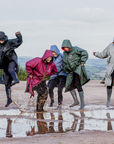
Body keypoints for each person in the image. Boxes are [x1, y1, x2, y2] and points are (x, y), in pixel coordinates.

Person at [61, 39, 90, 110]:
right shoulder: (65, 53)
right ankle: (76, 101)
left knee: (78, 85)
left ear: (69, 46)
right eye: (64, 48)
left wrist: (82, 61)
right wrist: (66, 69)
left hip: (77, 69)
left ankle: (82, 104)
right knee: (69, 86)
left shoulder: (76, 49)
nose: (65, 49)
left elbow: (85, 53)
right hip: (70, 71)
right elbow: (64, 62)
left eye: (66, 47)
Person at [48, 45, 79, 109]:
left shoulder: (62, 56)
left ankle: (59, 105)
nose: (53, 54)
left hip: (62, 75)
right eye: (52, 52)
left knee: (59, 90)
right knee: (50, 88)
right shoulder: (51, 58)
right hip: (55, 75)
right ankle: (52, 100)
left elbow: (68, 61)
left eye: (54, 52)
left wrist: (67, 68)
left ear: (57, 51)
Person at [0, 31, 23, 107]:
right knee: (7, 83)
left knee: (10, 69)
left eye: (2, 39)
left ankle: (16, 79)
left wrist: (18, 35)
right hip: (4, 64)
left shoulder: (9, 42)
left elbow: (19, 41)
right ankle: (9, 99)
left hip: (11, 61)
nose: (1, 41)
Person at [93, 38, 114, 107]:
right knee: (109, 84)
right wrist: (96, 53)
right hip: (111, 68)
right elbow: (103, 54)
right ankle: (108, 100)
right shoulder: (110, 46)